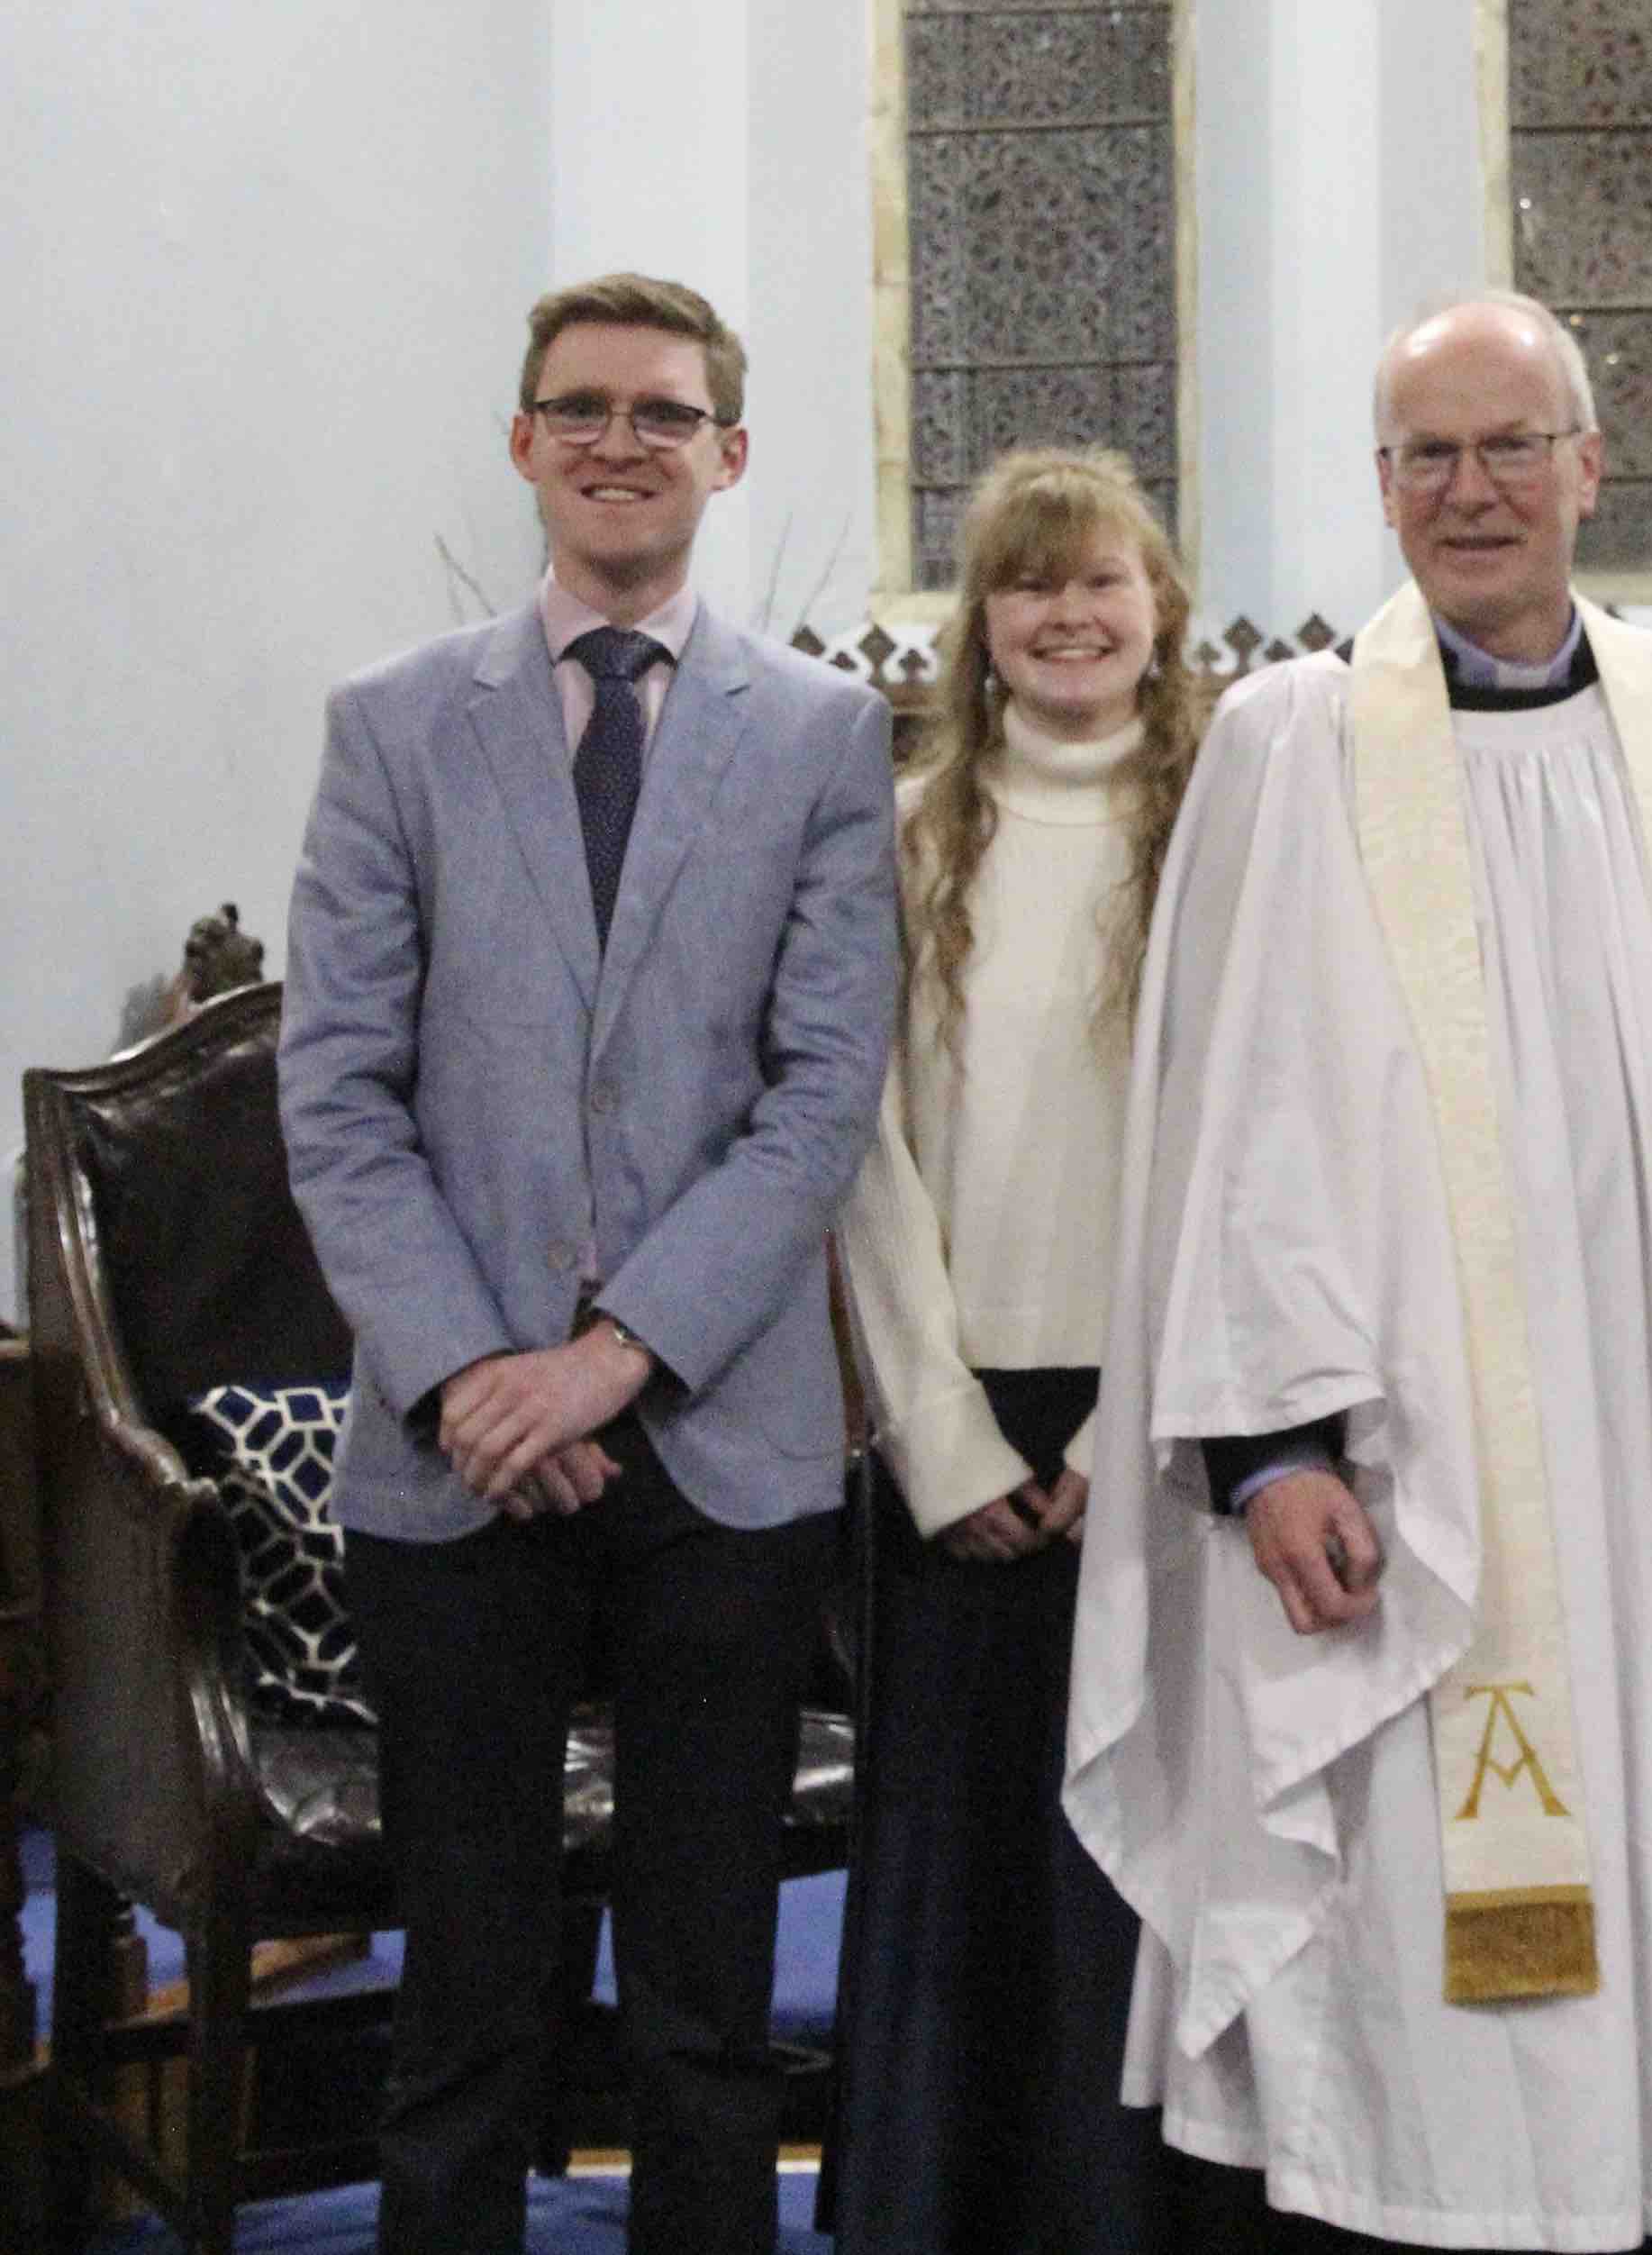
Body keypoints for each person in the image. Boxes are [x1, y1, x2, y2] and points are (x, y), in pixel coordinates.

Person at [1062, 289, 1652, 2250]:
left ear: (1591, 464)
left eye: (1507, 446)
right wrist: (1268, 1454)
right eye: (1425, 455)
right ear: (1379, 487)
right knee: (1411, 1977)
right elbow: (1229, 1132)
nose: (1468, 490)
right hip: (1410, 1476)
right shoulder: (1287, 741)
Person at [279, 272, 898, 2252]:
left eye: (661, 410)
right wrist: (477, 1369)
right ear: (524, 441)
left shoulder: (816, 734)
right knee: (464, 2004)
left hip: (716, 1444)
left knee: (709, 2005)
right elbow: (339, 1091)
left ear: (729, 453)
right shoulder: (395, 725)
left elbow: (819, 1097)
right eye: (581, 407)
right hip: (452, 1453)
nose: (619, 440)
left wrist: (611, 1358)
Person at [827, 447, 1202, 2251]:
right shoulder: (900, 832)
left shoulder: (1226, 824)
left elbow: (1241, 1146)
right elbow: (857, 1143)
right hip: (964, 1438)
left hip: (1174, 1422)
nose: (1065, 613)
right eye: (1026, 584)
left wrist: (1152, 1420)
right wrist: (936, 1431)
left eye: (1099, 580)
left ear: (1160, 610)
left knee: (1146, 1850)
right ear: (979, 626)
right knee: (967, 1870)